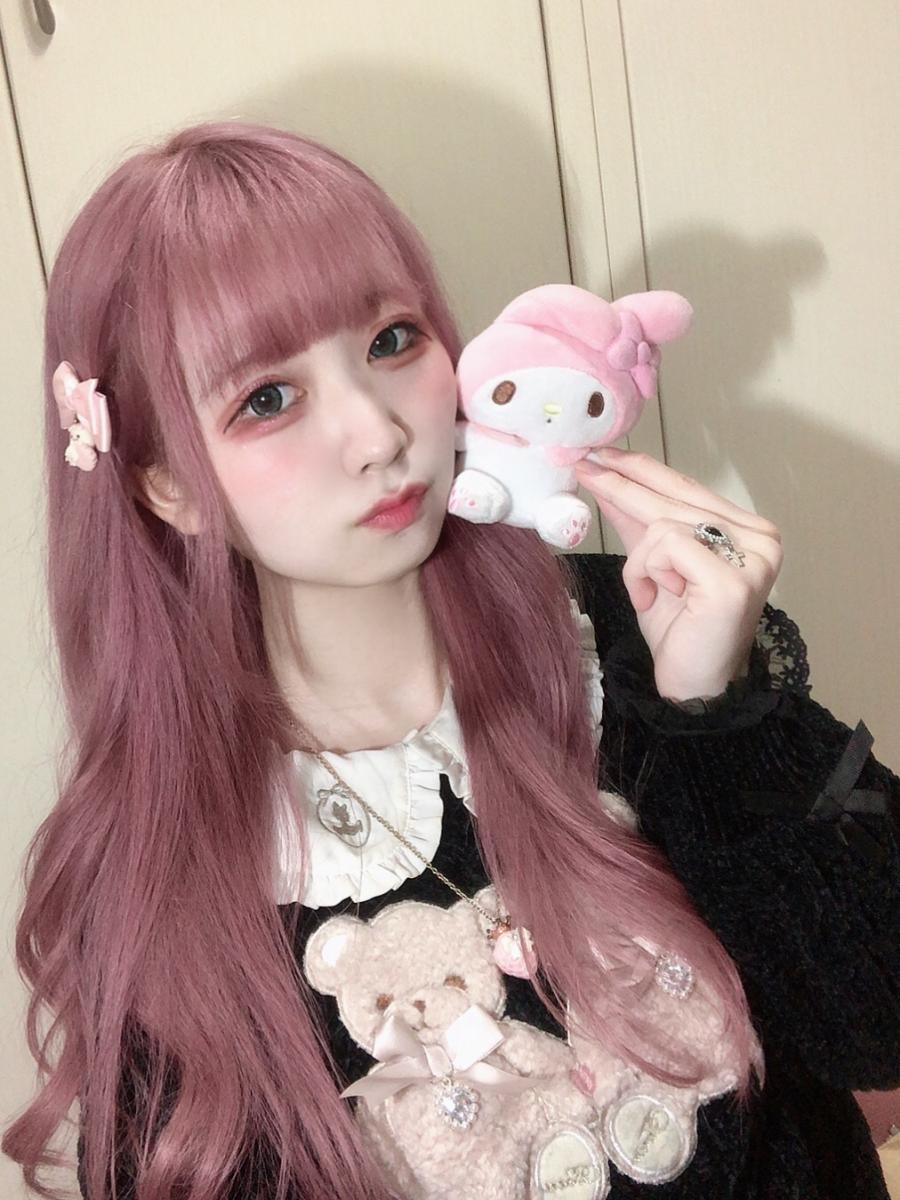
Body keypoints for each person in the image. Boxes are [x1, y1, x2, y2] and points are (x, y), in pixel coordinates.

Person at [2, 118, 898, 1200]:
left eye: (392, 341)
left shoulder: (629, 635)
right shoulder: (172, 870)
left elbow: (876, 1024)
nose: (381, 435)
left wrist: (715, 709)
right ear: (168, 487)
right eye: (267, 399)